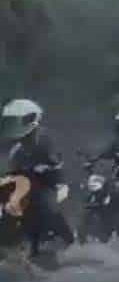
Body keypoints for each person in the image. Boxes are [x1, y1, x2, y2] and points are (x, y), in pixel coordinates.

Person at [2, 99, 75, 253]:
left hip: (50, 183)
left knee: (46, 204)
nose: (13, 126)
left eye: (16, 121)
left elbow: (59, 161)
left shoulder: (46, 139)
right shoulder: (16, 147)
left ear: (31, 119)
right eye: (10, 122)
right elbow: (10, 169)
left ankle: (64, 240)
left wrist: (47, 167)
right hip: (25, 184)